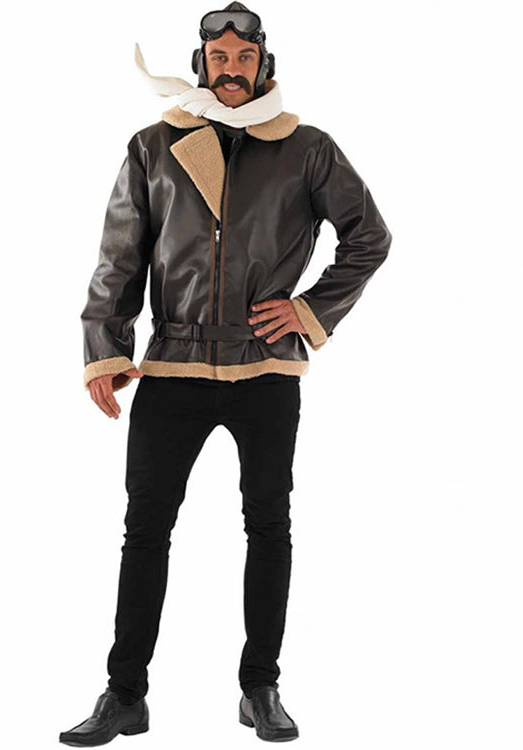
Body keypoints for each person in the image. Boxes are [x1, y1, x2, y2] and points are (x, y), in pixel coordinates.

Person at [59, 3, 392, 745]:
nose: (231, 69)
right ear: (201, 63)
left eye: (244, 57)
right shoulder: (155, 145)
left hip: (265, 368)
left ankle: (260, 687)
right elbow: (120, 255)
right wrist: (105, 346)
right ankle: (124, 694)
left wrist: (308, 311)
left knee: (268, 526)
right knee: (145, 529)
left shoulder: (307, 148)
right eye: (220, 58)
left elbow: (369, 236)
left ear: (264, 64)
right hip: (173, 364)